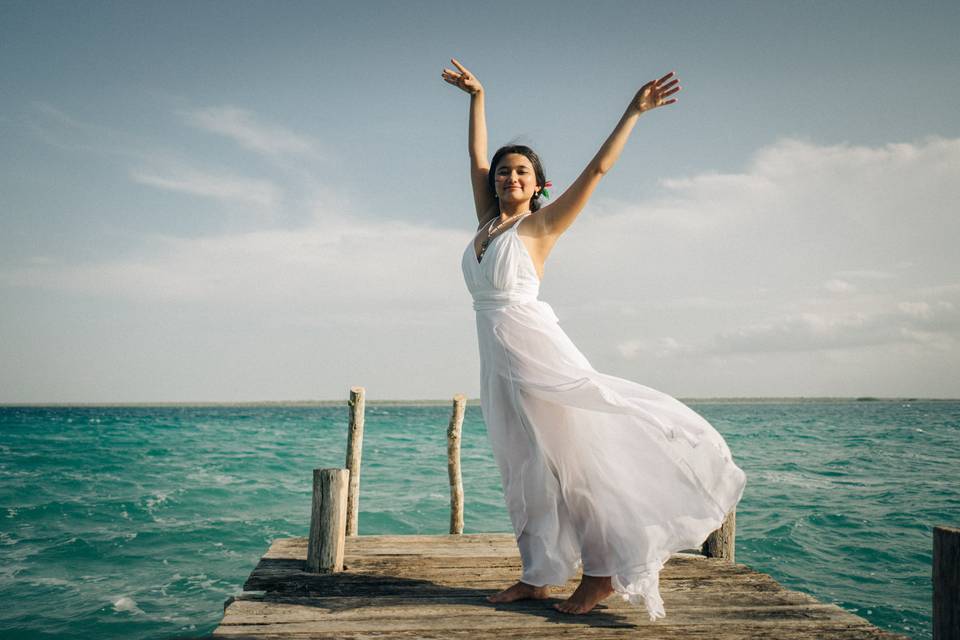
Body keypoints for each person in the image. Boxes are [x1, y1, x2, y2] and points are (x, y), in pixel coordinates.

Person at [442, 58, 746, 620]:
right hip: (496, 359)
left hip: (536, 354)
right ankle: (538, 576)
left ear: (537, 187)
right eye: (504, 173)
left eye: (521, 174)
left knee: (573, 463)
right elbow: (474, 158)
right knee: (522, 468)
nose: (509, 178)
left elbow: (599, 170)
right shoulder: (485, 225)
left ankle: (602, 575)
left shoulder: (538, 227)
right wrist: (476, 97)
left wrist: (634, 111)